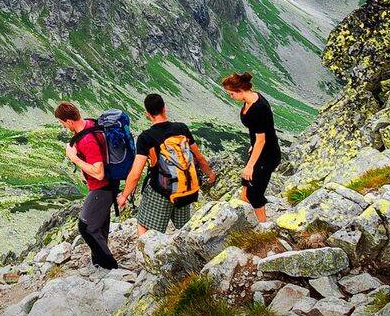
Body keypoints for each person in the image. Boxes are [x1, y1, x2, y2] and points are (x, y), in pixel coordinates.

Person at [116, 92, 215, 235]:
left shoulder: (146, 137)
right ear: (164, 108)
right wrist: (210, 174)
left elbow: (136, 173)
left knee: (144, 227)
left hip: (160, 191)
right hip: (184, 188)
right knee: (184, 230)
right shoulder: (181, 128)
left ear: (147, 114)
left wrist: (124, 196)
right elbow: (199, 157)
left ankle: (148, 255)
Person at [54, 101, 117, 269]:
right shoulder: (89, 124)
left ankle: (110, 265)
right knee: (99, 225)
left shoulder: (87, 140)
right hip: (109, 184)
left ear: (69, 121)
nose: (62, 126)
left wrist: (73, 158)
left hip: (102, 186)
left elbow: (98, 172)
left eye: (62, 123)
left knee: (86, 226)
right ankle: (99, 264)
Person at [221, 71, 283, 223]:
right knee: (245, 186)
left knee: (255, 193)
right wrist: (252, 144)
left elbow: (261, 139)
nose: (231, 97)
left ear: (240, 90)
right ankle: (247, 222)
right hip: (259, 149)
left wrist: (249, 166)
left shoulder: (259, 107)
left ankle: (264, 227)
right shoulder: (250, 99)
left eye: (231, 94)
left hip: (268, 154)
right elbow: (258, 131)